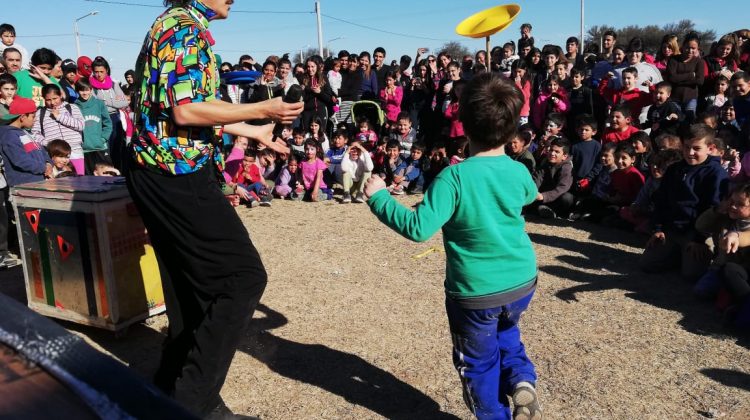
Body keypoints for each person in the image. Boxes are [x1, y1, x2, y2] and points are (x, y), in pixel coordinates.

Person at [129, 1, 303, 418]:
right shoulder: (182, 28)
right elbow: (187, 110)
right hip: (176, 175)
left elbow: (179, 110)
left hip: (161, 170)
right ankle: (194, 404)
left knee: (189, 288)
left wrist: (252, 130)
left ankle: (171, 384)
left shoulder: (179, 24)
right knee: (243, 278)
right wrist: (264, 108)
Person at [364, 72, 541, 420]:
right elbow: (530, 195)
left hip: (476, 292)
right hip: (521, 281)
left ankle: (493, 415)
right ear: (512, 128)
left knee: (478, 362)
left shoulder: (453, 178)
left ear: (462, 122)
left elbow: (418, 228)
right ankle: (521, 380)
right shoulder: (519, 170)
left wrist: (379, 198)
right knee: (507, 329)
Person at [640, 124, 729, 281]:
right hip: (672, 229)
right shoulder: (675, 169)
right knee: (647, 264)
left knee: (692, 275)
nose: (690, 153)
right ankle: (676, 253)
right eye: (686, 147)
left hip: (697, 231)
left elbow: (714, 209)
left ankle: (693, 254)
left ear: (710, 148)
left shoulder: (716, 173)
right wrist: (658, 228)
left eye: (696, 148)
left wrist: (700, 238)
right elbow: (662, 200)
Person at [31, 84, 85, 174]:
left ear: (60, 96)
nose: (52, 103)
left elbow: (80, 125)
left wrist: (59, 116)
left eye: (55, 98)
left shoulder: (72, 108)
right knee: (58, 183)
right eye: (48, 100)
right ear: (43, 99)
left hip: (75, 152)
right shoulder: (40, 113)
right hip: (55, 156)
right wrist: (49, 144)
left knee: (79, 181)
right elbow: (35, 134)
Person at [75, 78, 113, 175]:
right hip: (85, 149)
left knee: (106, 176)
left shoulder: (99, 104)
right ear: (77, 91)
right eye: (81, 90)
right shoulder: (74, 106)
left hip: (100, 147)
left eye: (87, 89)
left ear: (91, 89)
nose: (85, 93)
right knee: (89, 178)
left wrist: (103, 138)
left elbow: (108, 123)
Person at [531, 137, 575, 219]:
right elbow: (536, 179)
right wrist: (533, 192)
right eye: (551, 150)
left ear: (564, 156)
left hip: (556, 198)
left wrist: (543, 196)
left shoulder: (567, 167)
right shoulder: (545, 163)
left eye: (557, 152)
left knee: (567, 198)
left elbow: (562, 188)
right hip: (544, 196)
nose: (552, 153)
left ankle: (556, 212)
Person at [666, 33, 705, 123]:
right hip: (674, 98)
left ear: (697, 49)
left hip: (691, 98)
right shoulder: (673, 60)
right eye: (687, 47)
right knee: (674, 122)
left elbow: (700, 81)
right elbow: (671, 78)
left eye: (693, 48)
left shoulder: (699, 62)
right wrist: (690, 75)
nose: (690, 51)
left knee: (689, 122)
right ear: (682, 46)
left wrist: (678, 80)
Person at [571, 115, 601, 193]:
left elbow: (599, 164)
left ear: (594, 132)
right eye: (581, 129)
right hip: (575, 180)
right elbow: (570, 162)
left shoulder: (597, 146)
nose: (583, 132)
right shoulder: (574, 145)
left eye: (586, 130)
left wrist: (589, 178)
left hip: (591, 180)